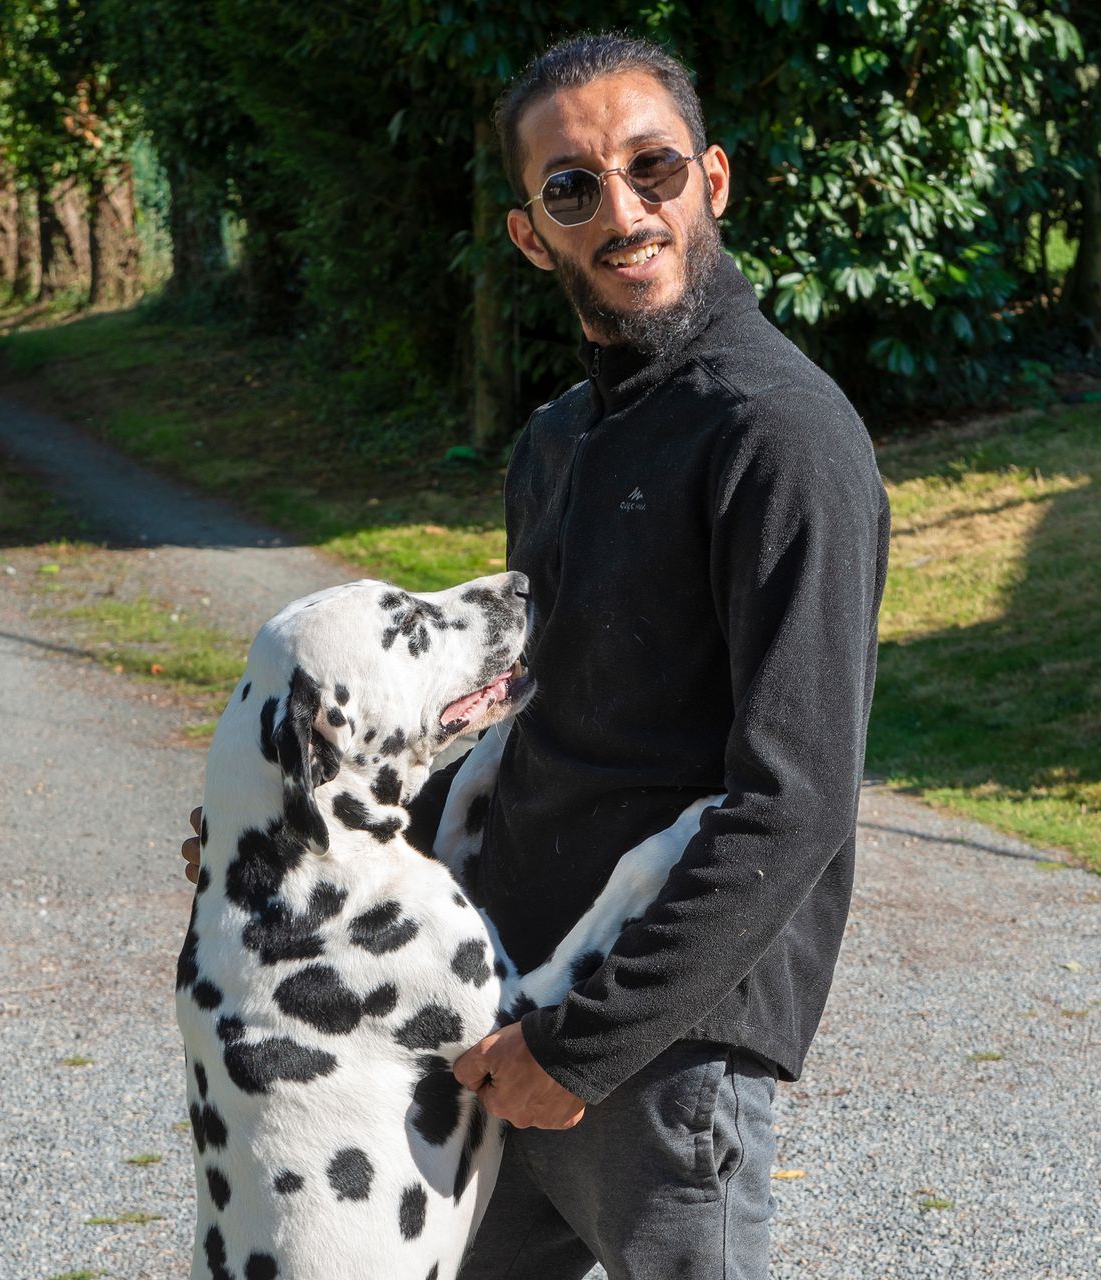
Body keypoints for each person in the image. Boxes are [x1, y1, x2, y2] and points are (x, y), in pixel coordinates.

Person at [186, 31, 888, 1279]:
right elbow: (506, 724)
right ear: (532, 233)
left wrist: (589, 1043)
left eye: (652, 168)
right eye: (574, 187)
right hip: (497, 1013)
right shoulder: (560, 439)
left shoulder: (785, 439)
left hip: (661, 1051)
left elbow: (798, 800)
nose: (623, 211)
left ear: (711, 180)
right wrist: (304, 844)